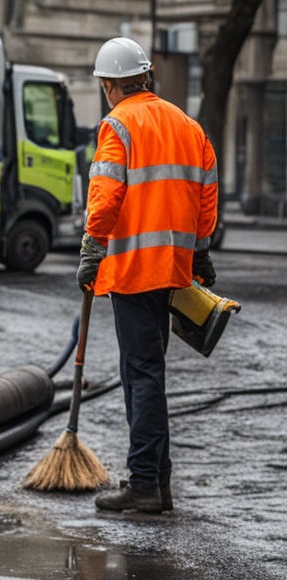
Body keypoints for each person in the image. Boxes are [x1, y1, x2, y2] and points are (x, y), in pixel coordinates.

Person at [77, 37, 219, 514]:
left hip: (133, 269)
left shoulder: (117, 125)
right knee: (147, 371)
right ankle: (159, 482)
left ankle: (143, 484)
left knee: (141, 375)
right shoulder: (188, 125)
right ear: (146, 75)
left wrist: (91, 250)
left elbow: (106, 195)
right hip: (172, 268)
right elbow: (206, 192)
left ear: (110, 84)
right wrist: (200, 252)